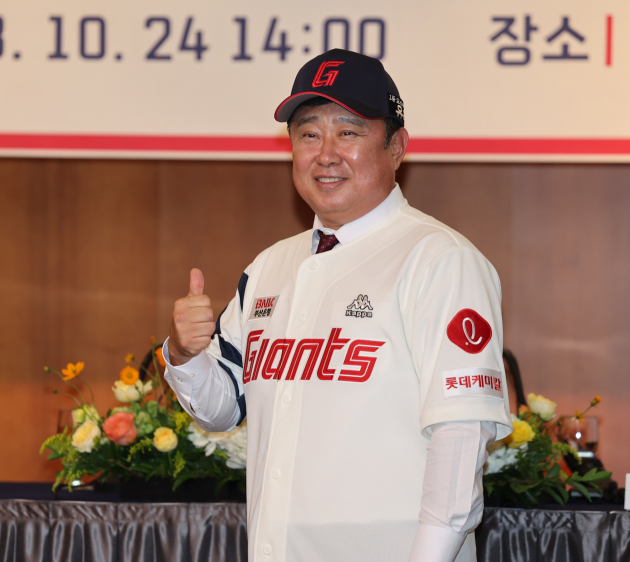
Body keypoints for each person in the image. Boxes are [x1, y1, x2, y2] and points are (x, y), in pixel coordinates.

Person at [163, 49, 513, 562]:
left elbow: (459, 439)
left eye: (348, 132)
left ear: (396, 147)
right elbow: (223, 410)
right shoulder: (269, 267)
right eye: (308, 135)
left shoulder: (441, 260)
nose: (326, 154)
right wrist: (185, 354)